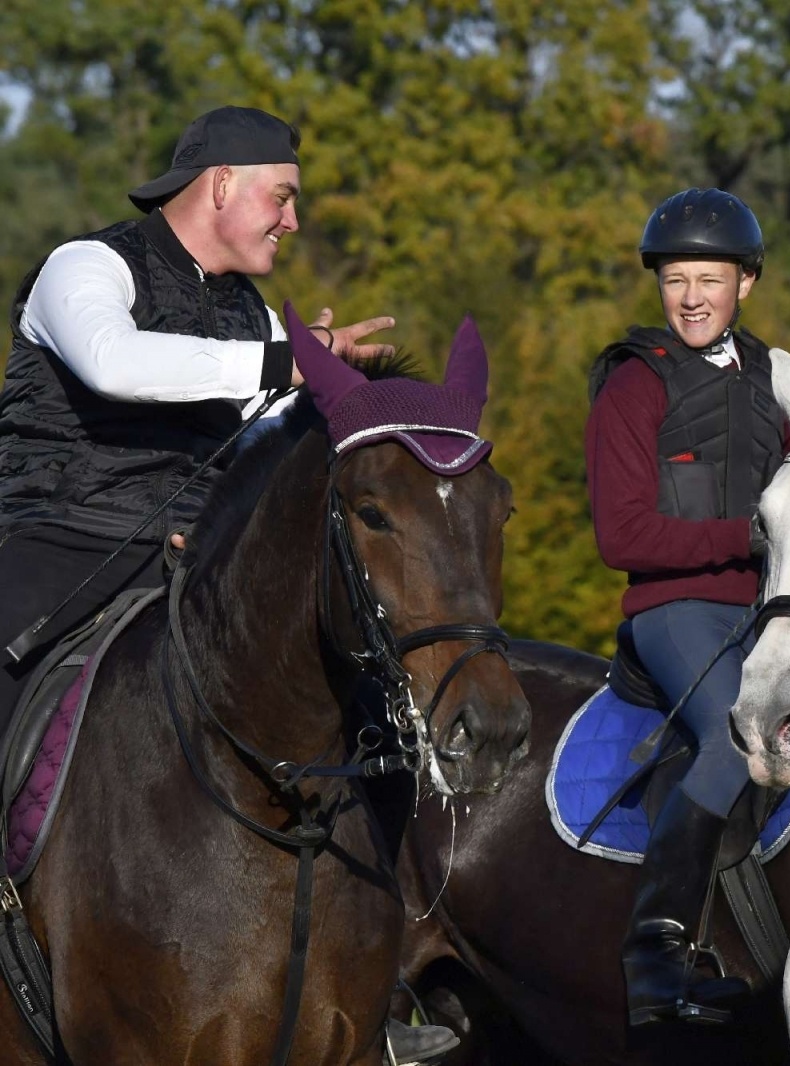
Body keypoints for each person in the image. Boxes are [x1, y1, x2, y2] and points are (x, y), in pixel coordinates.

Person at [0, 104, 453, 1066]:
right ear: (220, 185)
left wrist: (304, 399)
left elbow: (252, 458)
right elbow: (116, 366)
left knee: (372, 707)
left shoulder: (250, 317)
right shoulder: (87, 267)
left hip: (190, 564)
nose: (293, 221)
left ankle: (389, 976)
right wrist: (289, 364)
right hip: (57, 541)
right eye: (281, 198)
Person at [584, 187, 790, 1025]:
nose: (693, 297)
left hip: (771, 612)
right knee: (735, 738)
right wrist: (744, 535)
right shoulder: (634, 389)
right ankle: (655, 953)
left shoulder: (774, 381)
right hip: (675, 612)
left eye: (709, 278)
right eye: (676, 281)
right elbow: (624, 536)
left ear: (746, 282)